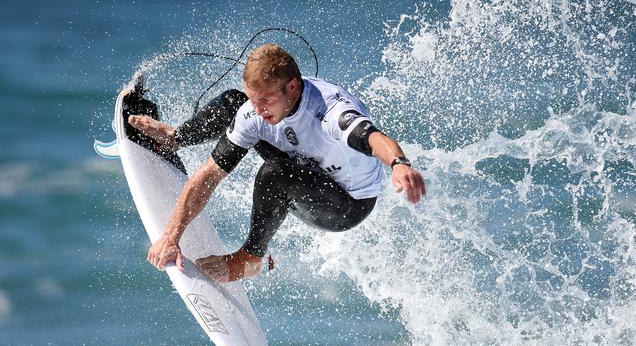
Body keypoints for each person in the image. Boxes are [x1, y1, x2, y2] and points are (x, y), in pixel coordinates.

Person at [128, 44, 426, 282]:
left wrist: (399, 163)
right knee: (234, 106)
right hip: (301, 168)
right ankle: (175, 137)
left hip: (346, 203)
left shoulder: (331, 112)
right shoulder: (258, 110)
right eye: (254, 101)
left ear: (293, 87)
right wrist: (171, 237)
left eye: (267, 101)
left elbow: (373, 138)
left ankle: (250, 259)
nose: (258, 111)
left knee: (275, 174)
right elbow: (209, 174)